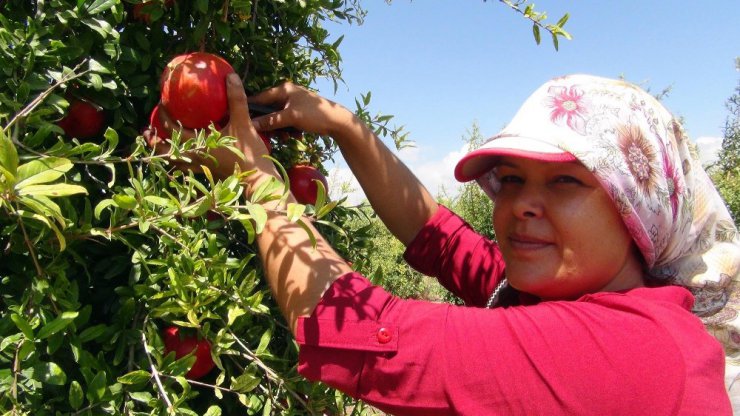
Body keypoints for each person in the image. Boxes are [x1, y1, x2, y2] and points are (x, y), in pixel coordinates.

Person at [151, 73, 740, 415]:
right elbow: (439, 237)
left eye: (565, 180)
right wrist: (345, 128)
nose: (519, 205)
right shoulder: (562, 293)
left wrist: (256, 179)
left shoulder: (634, 352)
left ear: (637, 210)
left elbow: (358, 333)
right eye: (510, 180)